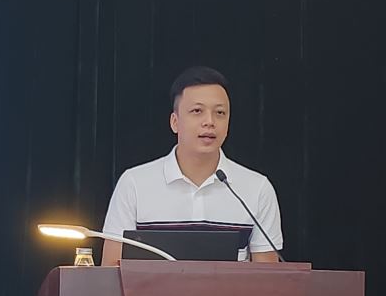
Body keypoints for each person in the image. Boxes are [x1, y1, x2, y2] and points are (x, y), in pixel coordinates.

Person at [100, 66, 283, 265]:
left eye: (220, 113)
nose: (209, 122)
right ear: (175, 122)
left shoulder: (257, 188)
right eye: (197, 111)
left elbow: (267, 278)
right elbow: (111, 270)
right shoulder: (135, 183)